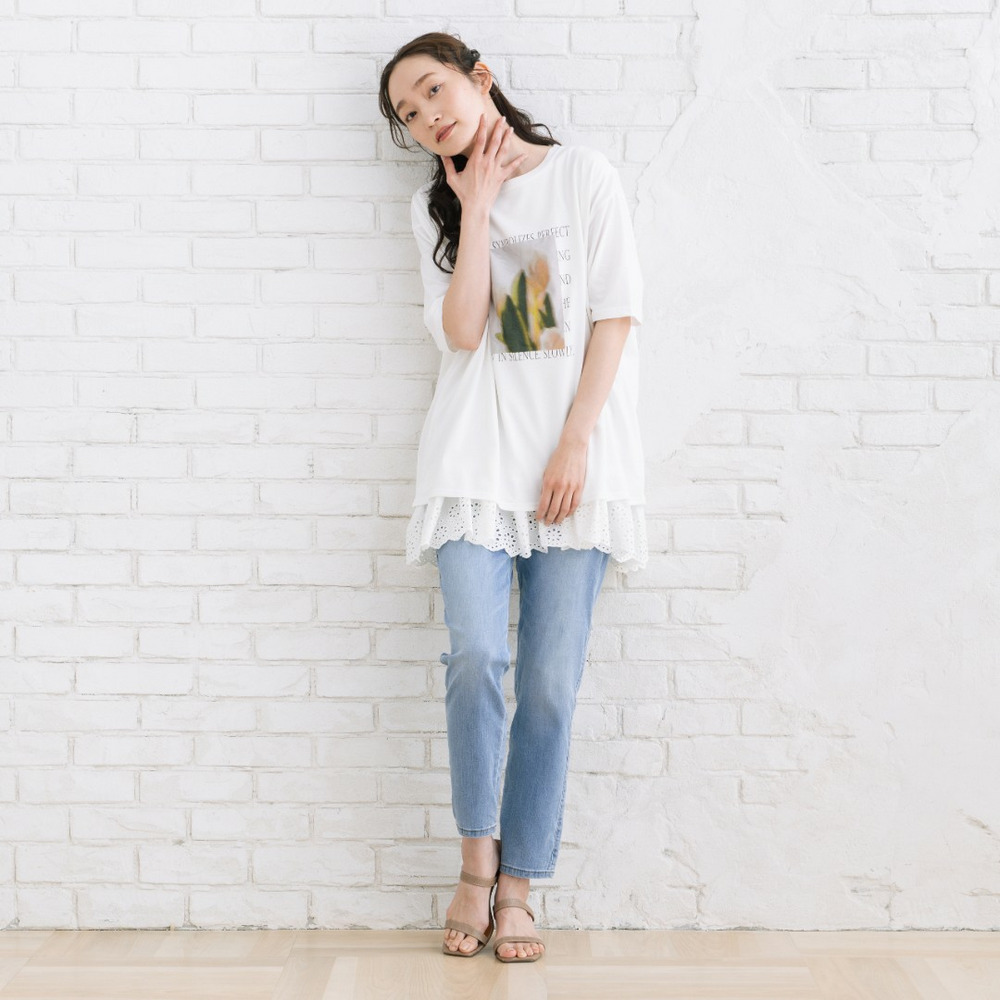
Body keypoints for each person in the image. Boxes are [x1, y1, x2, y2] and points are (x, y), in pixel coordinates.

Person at [379, 31, 647, 963]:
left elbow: (613, 316)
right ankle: (475, 866)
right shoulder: (437, 209)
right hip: (472, 465)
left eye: (434, 90)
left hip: (572, 464)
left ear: (480, 78)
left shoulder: (583, 176)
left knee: (548, 684)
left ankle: (523, 886)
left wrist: (576, 443)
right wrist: (479, 206)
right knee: (477, 657)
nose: (427, 116)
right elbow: (465, 333)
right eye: (409, 114)